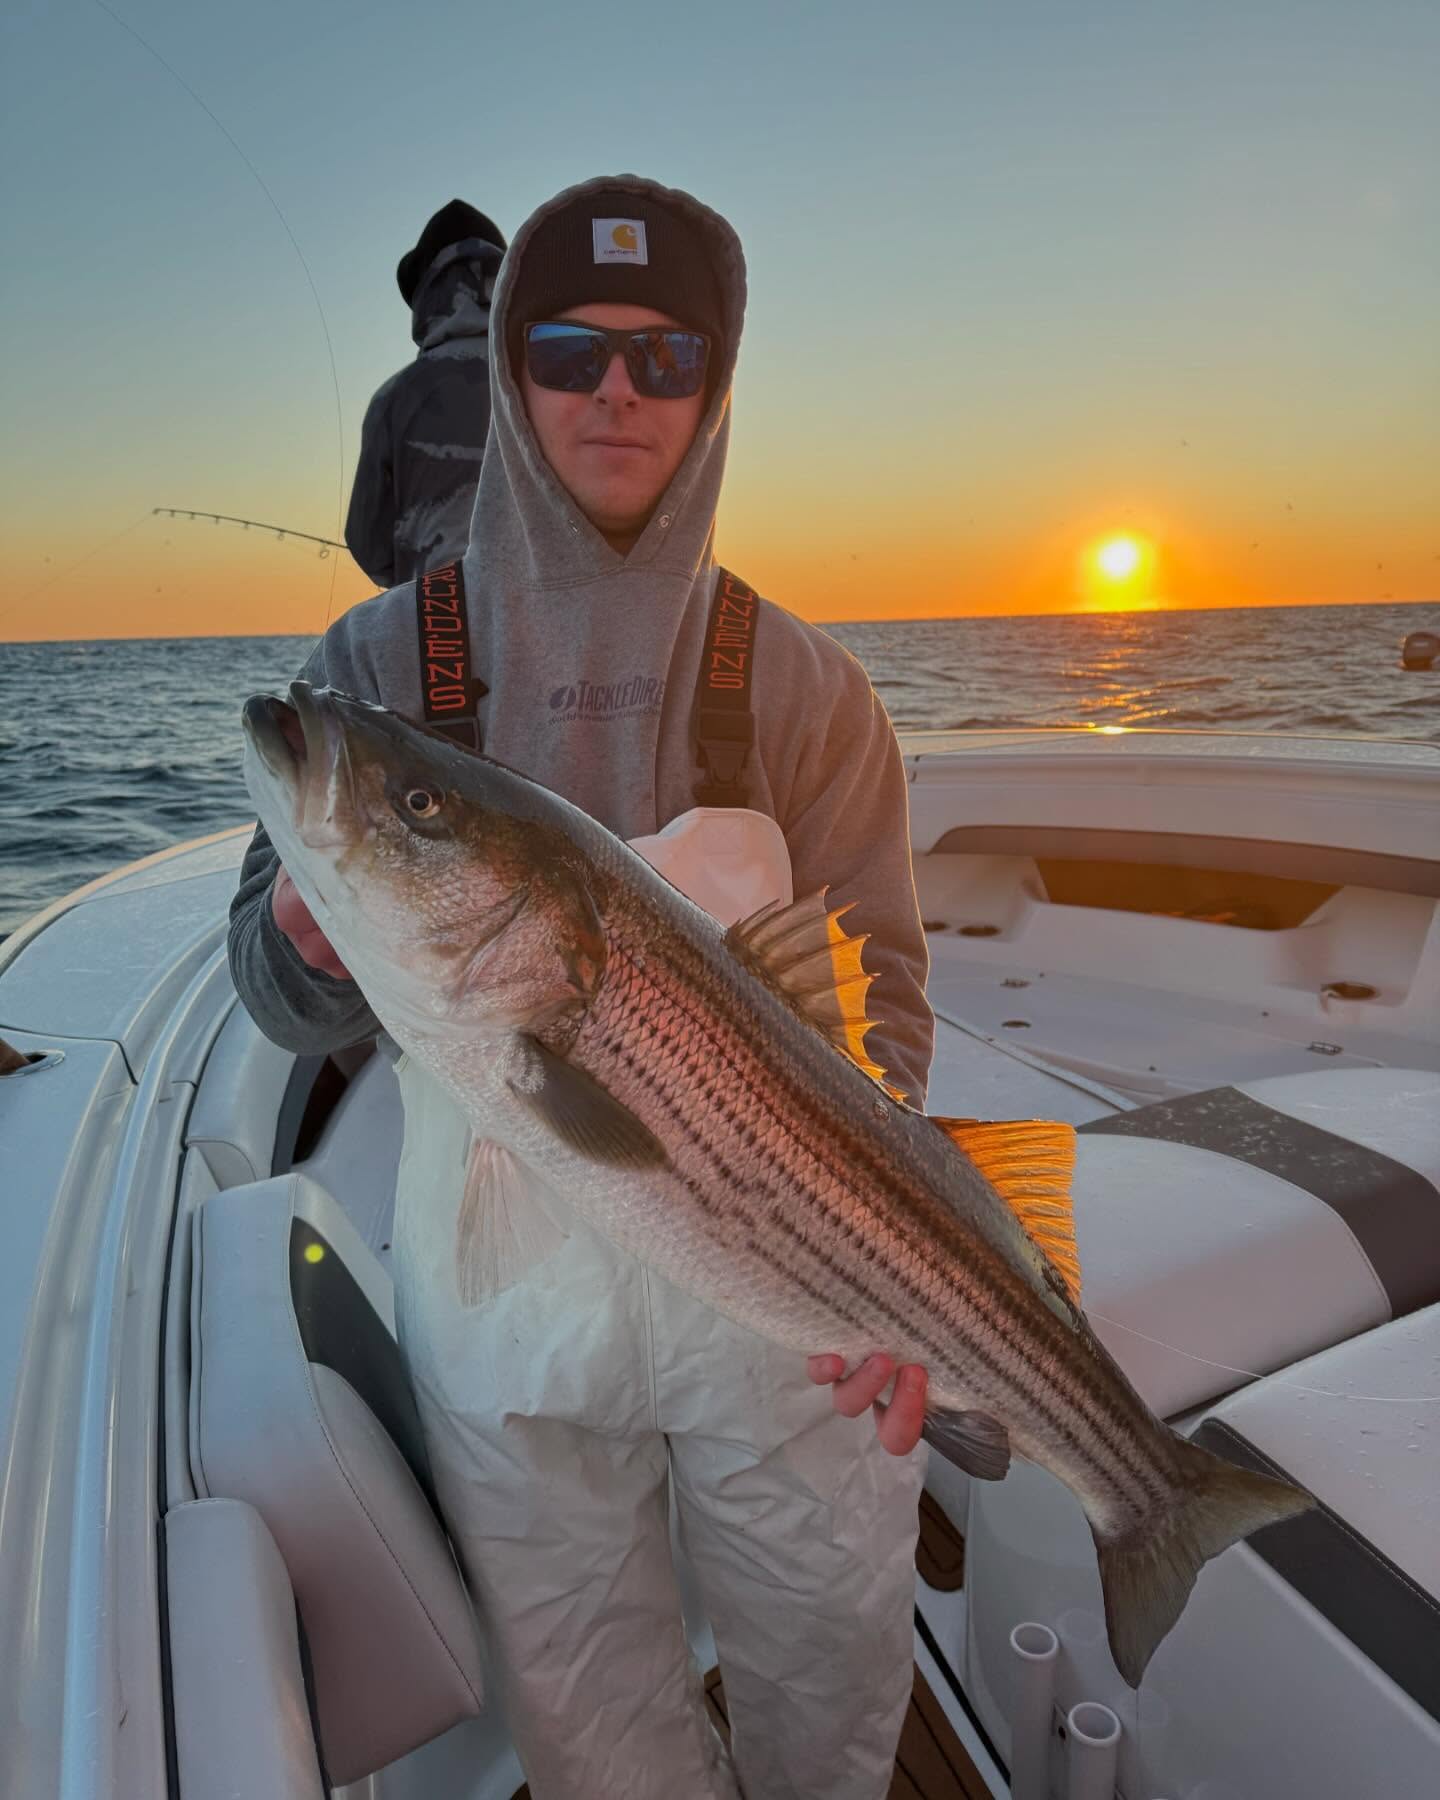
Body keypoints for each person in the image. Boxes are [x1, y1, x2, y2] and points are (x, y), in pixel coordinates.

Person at [229, 174, 936, 1800]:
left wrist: (893, 1257)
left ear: (714, 392)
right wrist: (307, 943)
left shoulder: (811, 686)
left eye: (664, 357)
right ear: (508, 378)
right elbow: (267, 999)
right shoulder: (373, 671)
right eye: (568, 349)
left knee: (826, 1694)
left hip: (784, 1299)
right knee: (593, 1730)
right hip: (510, 1304)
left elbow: (884, 1000)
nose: (616, 389)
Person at [344, 198, 508, 589]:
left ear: (426, 295)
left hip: (428, 628)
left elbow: (368, 546)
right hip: (538, 625)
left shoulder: (392, 400)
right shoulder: (552, 381)